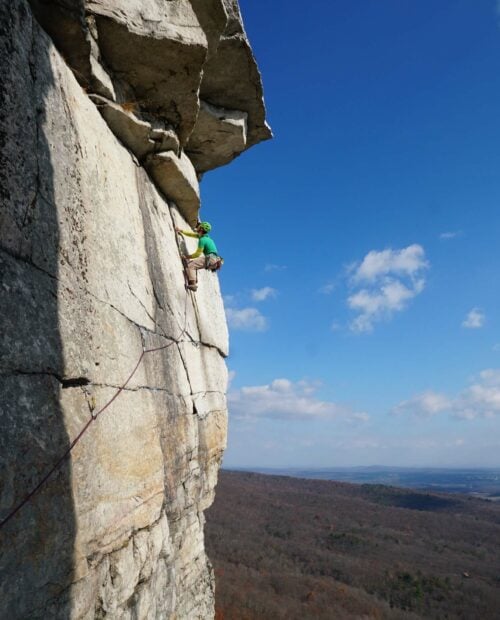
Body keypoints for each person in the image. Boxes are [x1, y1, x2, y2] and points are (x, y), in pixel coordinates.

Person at [176, 221, 219, 291]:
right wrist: (181, 231)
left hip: (210, 258)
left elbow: (197, 254)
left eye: (199, 227)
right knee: (194, 266)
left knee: (191, 265)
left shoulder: (203, 240)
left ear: (201, 229)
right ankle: (193, 280)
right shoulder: (206, 238)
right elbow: (191, 234)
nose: (197, 228)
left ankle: (193, 284)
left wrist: (186, 257)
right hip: (214, 260)